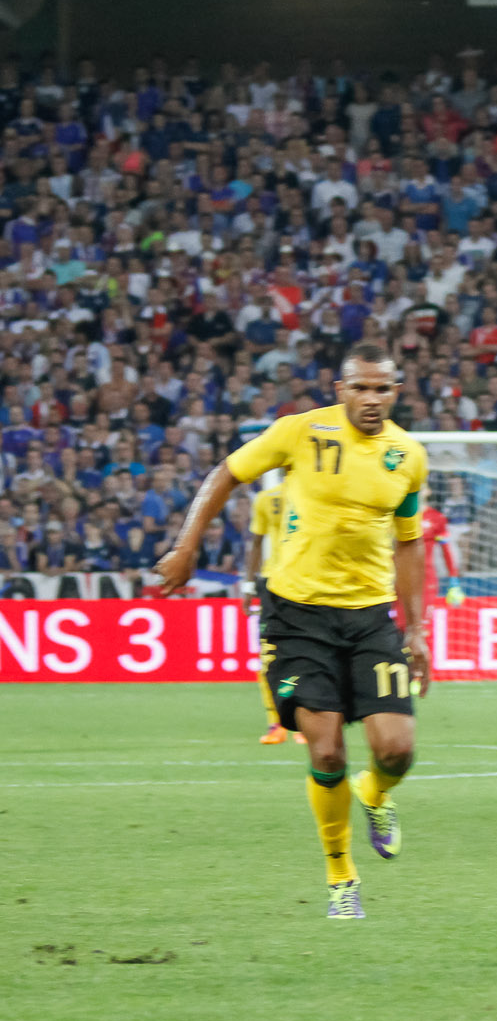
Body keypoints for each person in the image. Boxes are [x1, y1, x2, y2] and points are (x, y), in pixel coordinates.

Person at [156, 343, 432, 921]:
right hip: (297, 617)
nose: (372, 399)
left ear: (396, 392)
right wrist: (186, 547)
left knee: (397, 749)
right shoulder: (300, 432)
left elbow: (409, 542)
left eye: (382, 389)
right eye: (361, 387)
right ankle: (341, 877)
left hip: (369, 616)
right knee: (326, 749)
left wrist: (417, 630)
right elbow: (226, 473)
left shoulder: (408, 456)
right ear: (341, 389)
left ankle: (375, 792)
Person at [241, 481, 304, 746]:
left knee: (306, 656)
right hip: (273, 585)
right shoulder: (266, 499)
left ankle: (302, 721)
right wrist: (249, 587)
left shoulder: (317, 492)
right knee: (270, 657)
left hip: (306, 584)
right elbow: (256, 543)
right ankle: (276, 723)